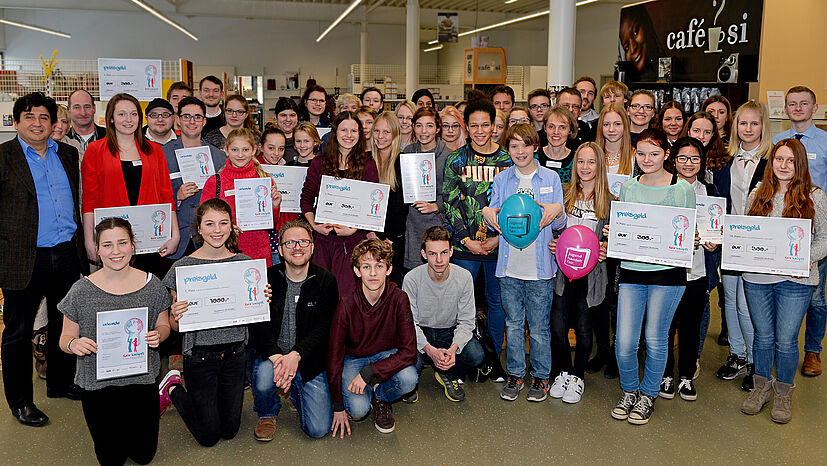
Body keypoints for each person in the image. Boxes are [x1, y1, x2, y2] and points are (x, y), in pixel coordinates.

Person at [1, 92, 87, 426]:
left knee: (63, 321)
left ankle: (61, 382)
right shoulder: (4, 156)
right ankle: (20, 401)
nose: (37, 123)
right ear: (16, 121)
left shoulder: (67, 153)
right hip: (23, 258)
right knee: (18, 332)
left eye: (43, 117)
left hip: (66, 252)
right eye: (29, 117)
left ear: (53, 123)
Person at [58, 218, 171, 464]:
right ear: (97, 250)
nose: (116, 251)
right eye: (107, 245)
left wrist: (159, 335)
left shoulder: (153, 286)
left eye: (122, 243)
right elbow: (64, 338)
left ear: (133, 245)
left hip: (141, 379)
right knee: (111, 459)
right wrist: (73, 345)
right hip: (98, 385)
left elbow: (164, 324)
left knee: (144, 455)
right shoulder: (80, 290)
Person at [609, 128, 695, 425]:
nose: (647, 159)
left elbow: (685, 230)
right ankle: (629, 390)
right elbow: (625, 227)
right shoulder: (629, 187)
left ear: (666, 155)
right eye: (642, 153)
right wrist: (614, 233)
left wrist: (691, 239)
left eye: (654, 153)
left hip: (668, 275)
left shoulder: (682, 189)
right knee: (624, 341)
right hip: (632, 270)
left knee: (655, 339)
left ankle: (648, 395)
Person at [160, 198, 263, 446]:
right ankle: (173, 388)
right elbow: (173, 327)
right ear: (199, 228)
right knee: (208, 437)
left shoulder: (245, 264)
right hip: (199, 355)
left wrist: (262, 298)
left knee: (230, 430)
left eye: (223, 223)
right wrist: (175, 314)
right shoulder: (182, 268)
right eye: (209, 224)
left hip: (235, 354)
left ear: (232, 226)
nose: (217, 230)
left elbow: (255, 315)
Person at [738, 139, 827, 424]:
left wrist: (802, 259)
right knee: (762, 337)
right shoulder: (757, 195)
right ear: (771, 162)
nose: (784, 165)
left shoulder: (816, 196)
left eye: (790, 160)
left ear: (799, 164)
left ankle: (784, 393)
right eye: (779, 159)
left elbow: (824, 238)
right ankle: (761, 388)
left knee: (787, 340)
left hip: (796, 279)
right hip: (757, 278)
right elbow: (746, 234)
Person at [481, 123, 566, 402]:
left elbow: (561, 224)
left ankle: (541, 377)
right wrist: (487, 213)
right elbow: (495, 215)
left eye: (525, 145)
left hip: (540, 269)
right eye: (513, 146)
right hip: (509, 267)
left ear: (535, 147)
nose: (520, 151)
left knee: (539, 327)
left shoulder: (551, 178)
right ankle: (516, 375)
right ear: (508, 150)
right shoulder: (502, 179)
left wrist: (558, 212)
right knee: (514, 323)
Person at [249, 220, 338, 440]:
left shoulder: (326, 280)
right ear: (279, 249)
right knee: (262, 377)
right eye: (289, 243)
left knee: (317, 430)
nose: (297, 247)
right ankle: (267, 412)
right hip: (274, 357)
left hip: (309, 360)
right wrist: (277, 356)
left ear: (312, 246)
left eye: (303, 242)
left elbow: (324, 329)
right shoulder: (265, 279)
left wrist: (296, 355)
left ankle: (297, 390)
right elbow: (257, 325)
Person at [443, 98, 512, 365]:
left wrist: (499, 237)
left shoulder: (507, 159)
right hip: (464, 248)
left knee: (497, 303)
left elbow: (515, 204)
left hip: (500, 245)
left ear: (494, 125)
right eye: (474, 125)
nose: (481, 131)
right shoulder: (456, 159)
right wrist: (466, 240)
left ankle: (493, 358)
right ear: (466, 126)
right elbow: (450, 203)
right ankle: (461, 356)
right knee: (461, 304)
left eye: (486, 125)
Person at [81, 93, 180, 276]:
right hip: (113, 241)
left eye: (133, 114)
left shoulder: (155, 150)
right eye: (122, 114)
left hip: (150, 239)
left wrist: (175, 235)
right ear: (110, 118)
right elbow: (89, 200)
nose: (129, 120)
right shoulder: (95, 150)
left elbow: (166, 195)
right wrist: (89, 240)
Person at [327, 238, 418, 436]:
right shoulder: (346, 305)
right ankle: (367, 394)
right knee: (358, 410)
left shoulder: (399, 298)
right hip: (354, 358)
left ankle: (380, 396)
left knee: (409, 378)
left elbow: (410, 352)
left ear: (389, 269)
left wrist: (370, 372)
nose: (374, 273)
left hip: (387, 354)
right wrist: (337, 405)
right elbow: (334, 357)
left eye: (379, 265)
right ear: (357, 271)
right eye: (366, 267)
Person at [712, 100, 772, 391]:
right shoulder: (725, 159)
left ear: (763, 126)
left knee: (748, 306)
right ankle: (737, 354)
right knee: (731, 301)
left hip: (758, 242)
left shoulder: (773, 161)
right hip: (730, 240)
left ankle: (755, 362)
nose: (748, 129)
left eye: (754, 123)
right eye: (743, 123)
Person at [548, 141, 611, 404]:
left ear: (599, 166)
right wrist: (553, 240)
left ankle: (577, 377)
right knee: (558, 326)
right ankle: (562, 371)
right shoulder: (562, 195)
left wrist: (608, 247)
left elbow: (615, 239)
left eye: (591, 162)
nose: (585, 167)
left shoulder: (610, 202)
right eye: (581, 162)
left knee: (585, 330)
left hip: (592, 276)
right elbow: (552, 228)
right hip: (563, 273)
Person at [772, 86, 827, 377]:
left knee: (816, 298)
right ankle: (783, 347)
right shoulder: (778, 141)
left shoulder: (826, 142)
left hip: (815, 229)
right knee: (781, 292)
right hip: (779, 231)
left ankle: (812, 351)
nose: (797, 108)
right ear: (785, 109)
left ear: (814, 108)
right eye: (792, 104)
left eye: (804, 103)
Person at [660, 137, 719, 402]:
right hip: (667, 271)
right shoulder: (662, 188)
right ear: (673, 161)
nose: (688, 163)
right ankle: (665, 375)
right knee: (665, 327)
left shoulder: (711, 191)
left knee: (691, 327)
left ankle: (685, 375)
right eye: (683, 158)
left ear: (702, 162)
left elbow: (718, 233)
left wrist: (712, 244)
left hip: (697, 272)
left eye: (695, 158)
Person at [300, 111, 379, 296]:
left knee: (347, 296)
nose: (348, 135)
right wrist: (314, 226)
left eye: (353, 131)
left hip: (352, 242)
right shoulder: (319, 163)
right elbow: (306, 199)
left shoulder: (368, 164)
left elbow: (372, 206)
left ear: (360, 134)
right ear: (335, 132)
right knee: (321, 296)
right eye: (344, 130)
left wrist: (354, 229)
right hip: (323, 241)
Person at [403, 226, 483, 402]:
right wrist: (430, 351)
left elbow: (467, 322)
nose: (439, 260)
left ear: (452, 252)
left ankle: (447, 373)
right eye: (432, 254)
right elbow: (409, 324)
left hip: (449, 331)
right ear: (423, 254)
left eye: (444, 252)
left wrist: (454, 349)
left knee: (476, 354)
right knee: (408, 365)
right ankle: (412, 381)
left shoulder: (464, 277)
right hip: (420, 332)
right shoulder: (411, 279)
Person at [200, 128, 282, 266]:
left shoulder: (264, 179)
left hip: (259, 250)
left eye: (245, 150)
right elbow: (203, 220)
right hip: (224, 250)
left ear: (254, 150)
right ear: (226, 150)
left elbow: (271, 222)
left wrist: (274, 206)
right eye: (234, 150)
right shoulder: (215, 182)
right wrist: (227, 226)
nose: (240, 155)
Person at [162, 96, 227, 261]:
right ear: (178, 120)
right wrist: (176, 196)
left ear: (204, 121)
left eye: (197, 117)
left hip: (211, 239)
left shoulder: (219, 157)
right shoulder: (162, 154)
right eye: (186, 116)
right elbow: (154, 195)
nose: (192, 121)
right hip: (177, 238)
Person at [402, 107, 450, 270]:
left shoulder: (449, 157)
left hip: (438, 223)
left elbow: (456, 194)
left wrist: (436, 206)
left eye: (429, 126)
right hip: (412, 224)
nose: (424, 131)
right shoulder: (407, 153)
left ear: (438, 129)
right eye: (419, 125)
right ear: (413, 127)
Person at [371, 112, 407, 284]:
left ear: (394, 134)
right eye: (377, 131)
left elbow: (402, 207)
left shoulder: (402, 162)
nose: (380, 136)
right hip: (368, 236)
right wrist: (369, 233)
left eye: (386, 132)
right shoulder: (366, 160)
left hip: (392, 241)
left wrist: (389, 239)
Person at [537, 106, 578, 184]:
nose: (556, 132)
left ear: (570, 130)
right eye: (551, 127)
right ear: (545, 128)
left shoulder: (576, 160)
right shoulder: (534, 158)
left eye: (562, 127)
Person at [597, 103, 634, 175]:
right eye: (606, 124)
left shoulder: (636, 157)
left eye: (617, 124)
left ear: (625, 126)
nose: (611, 129)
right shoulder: (592, 155)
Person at [66, 89, 106, 157]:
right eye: (77, 107)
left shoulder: (110, 136)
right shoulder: (63, 140)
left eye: (87, 107)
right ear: (69, 110)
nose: (83, 113)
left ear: (94, 108)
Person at [273, 97, 300, 163]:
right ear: (275, 117)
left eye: (292, 115)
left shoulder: (304, 142)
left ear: (297, 117)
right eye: (283, 115)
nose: (288, 119)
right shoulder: (267, 140)